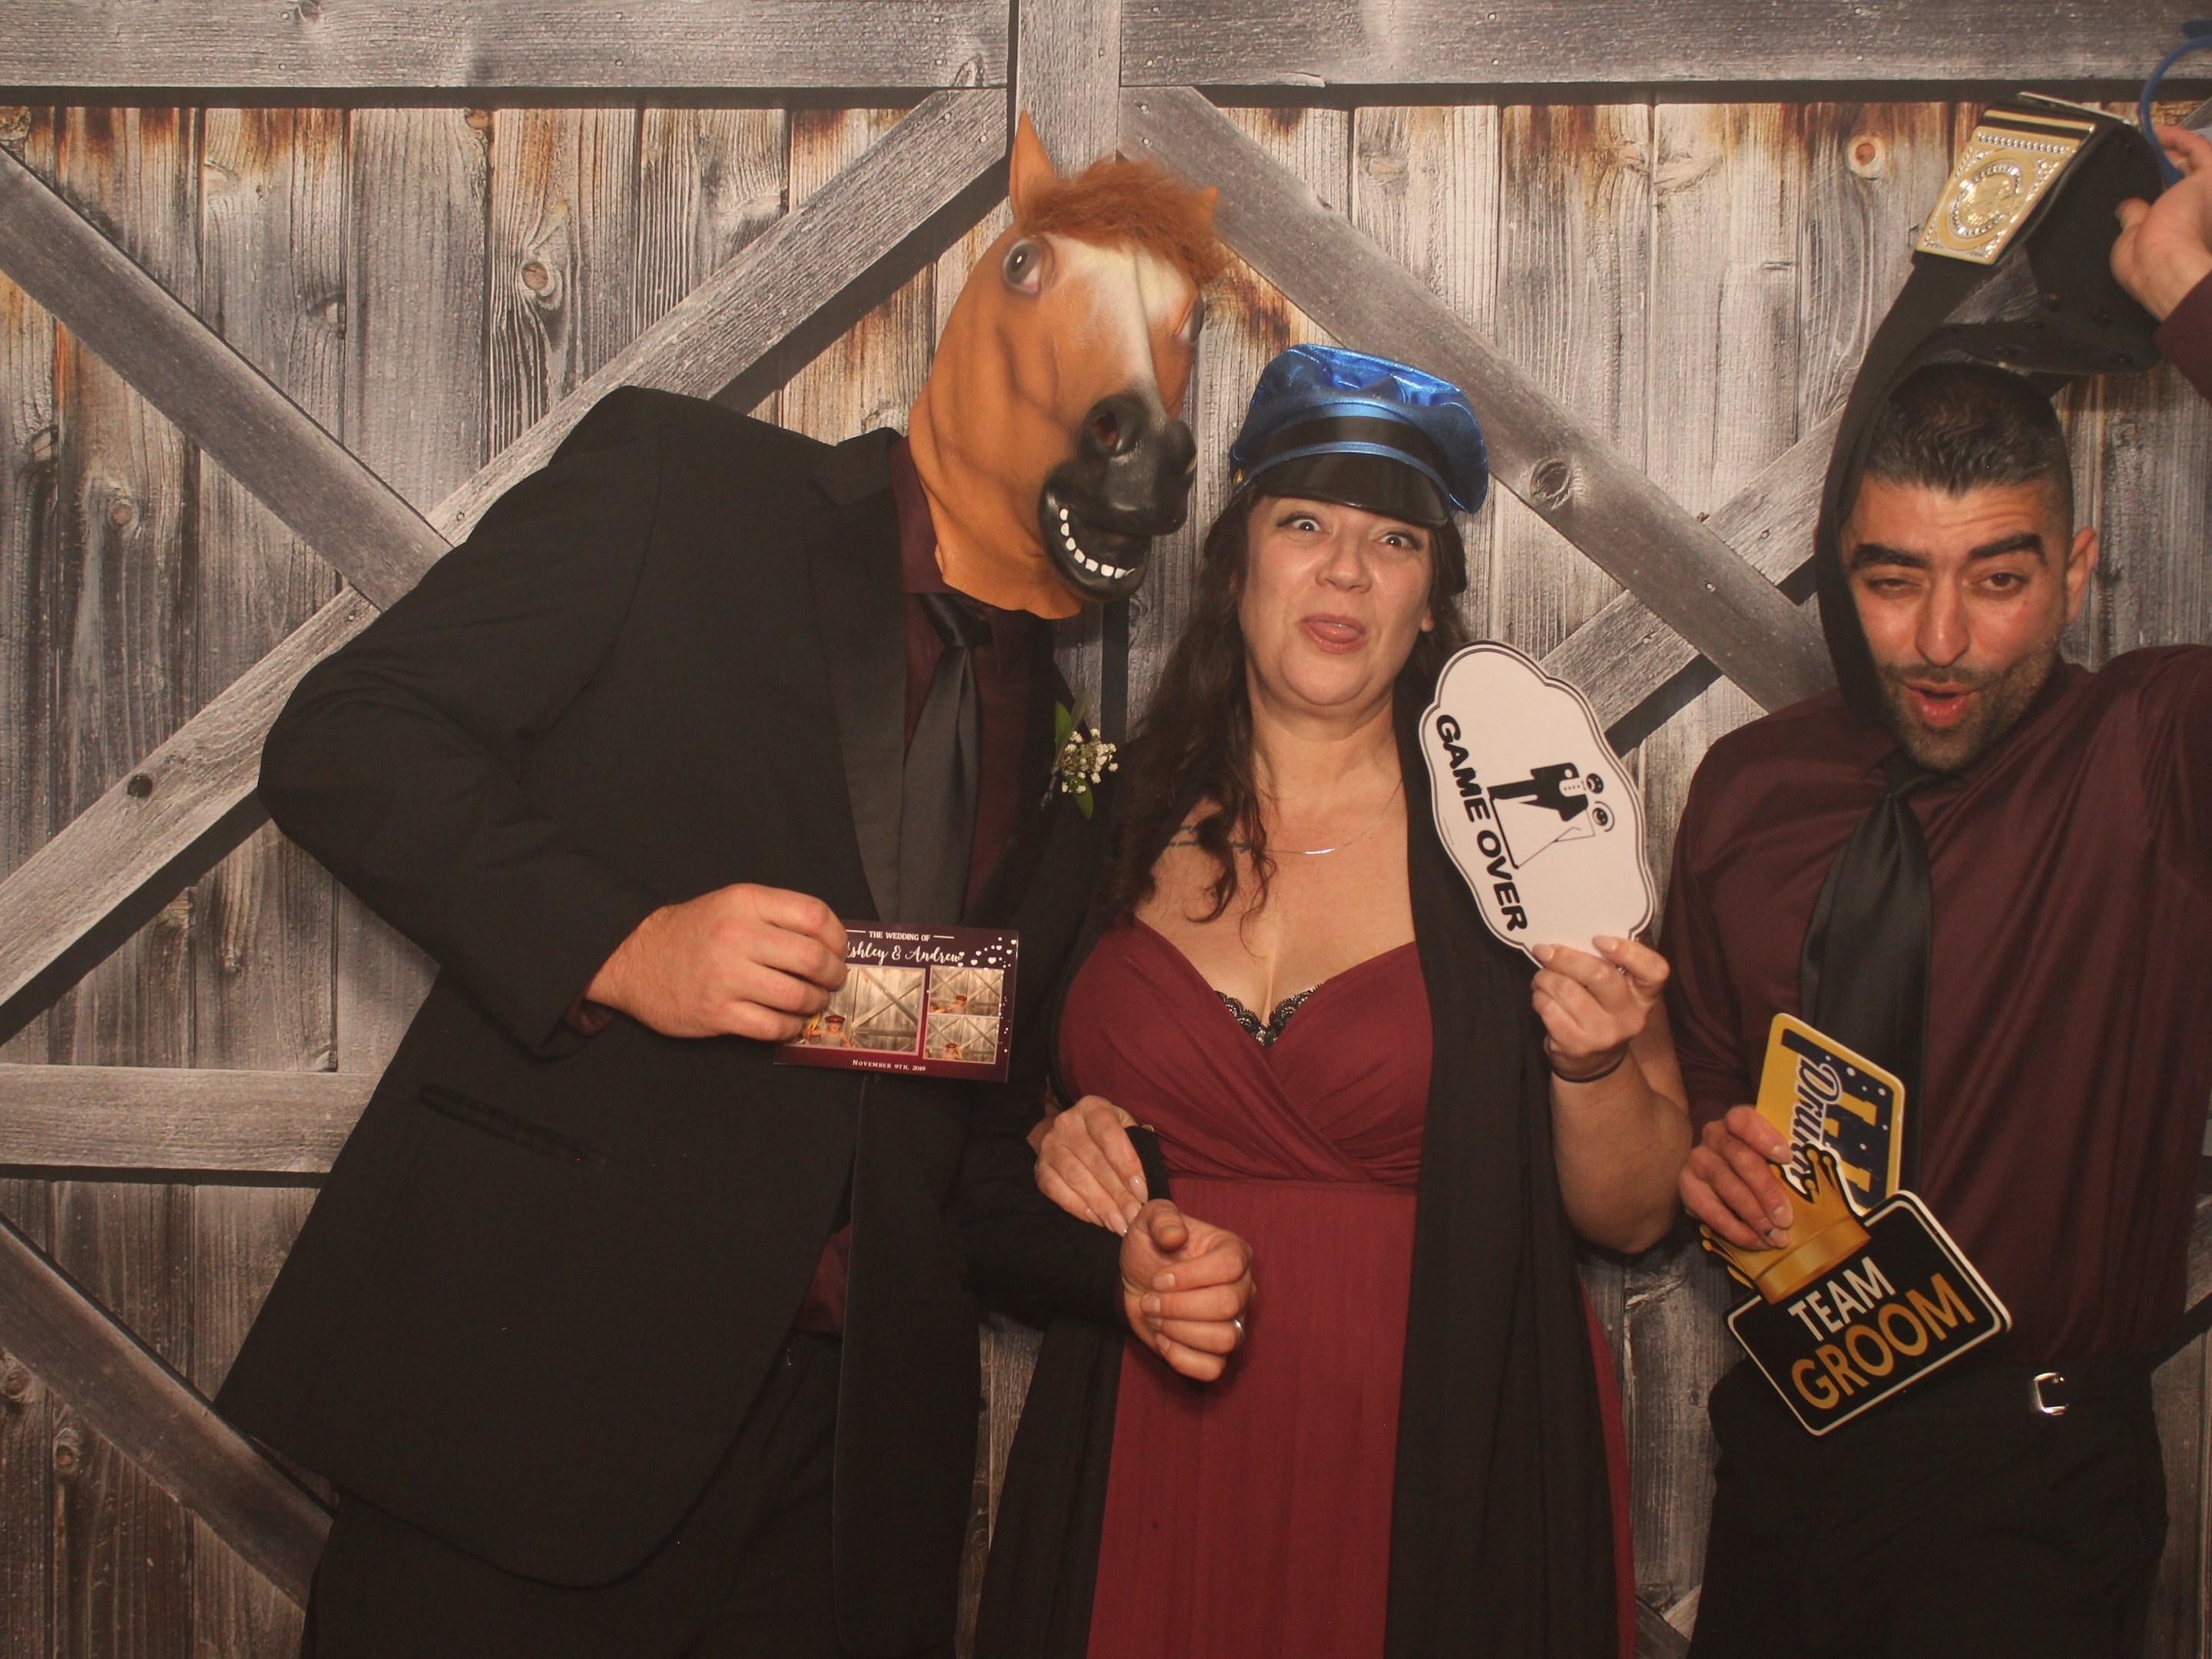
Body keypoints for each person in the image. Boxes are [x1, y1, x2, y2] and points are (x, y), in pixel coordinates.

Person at [214, 119, 1253, 1659]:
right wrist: (623, 944)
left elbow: (955, 1159)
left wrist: (1120, 1265)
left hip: (836, 1505)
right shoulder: (679, 486)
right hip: (529, 1408)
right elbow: (344, 739)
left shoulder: (1072, 759)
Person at [977, 345, 1691, 1659]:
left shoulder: (1528, 837)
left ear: (1431, 603)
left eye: (1394, 541)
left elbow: (1637, 1213)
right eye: (1305, 524)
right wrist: (1048, 1138)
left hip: (1436, 1448)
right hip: (1146, 1437)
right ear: (1236, 565)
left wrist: (1591, 1066)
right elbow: (985, 1115)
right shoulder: (1108, 816)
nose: (1347, 571)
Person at [1671, 124, 2212, 1659]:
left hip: (2031, 1489)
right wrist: (1712, 1167)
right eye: (1893, 578)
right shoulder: (1751, 791)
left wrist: (2190, 293)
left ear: (2079, 567)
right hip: (1783, 1460)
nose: (1943, 642)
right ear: (1838, 568)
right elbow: (1700, 1114)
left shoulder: (2157, 758)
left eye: (2000, 578)